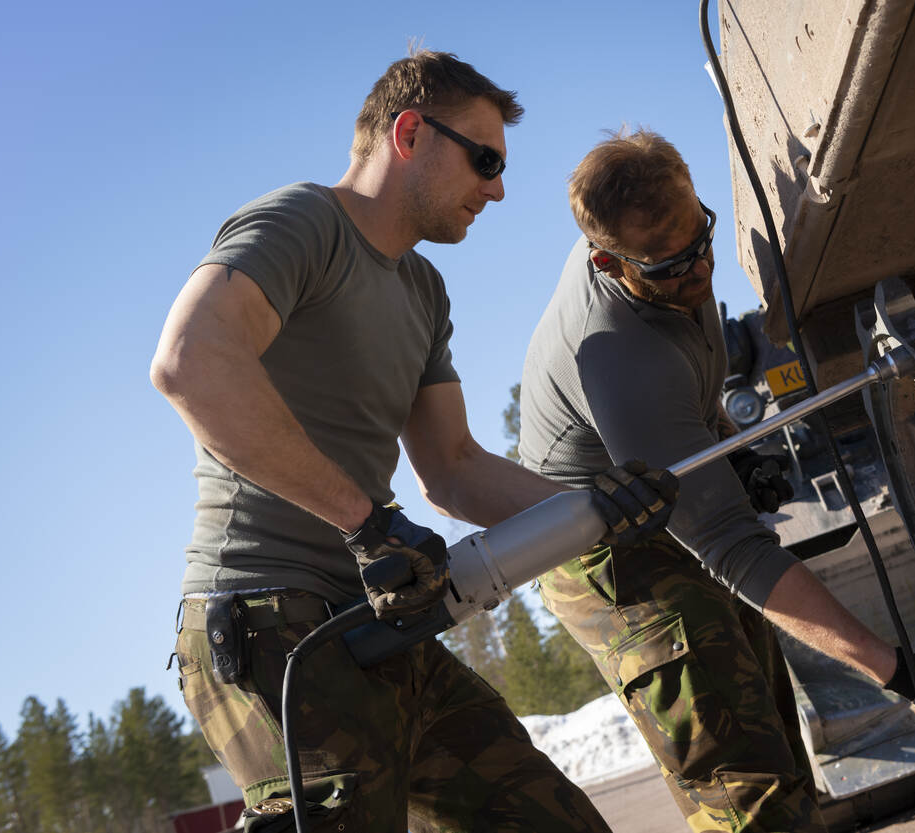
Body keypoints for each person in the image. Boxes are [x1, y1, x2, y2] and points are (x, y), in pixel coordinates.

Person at [150, 53, 676, 833]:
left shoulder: (423, 291)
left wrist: (597, 505)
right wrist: (365, 523)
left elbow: (454, 470)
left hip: (377, 616)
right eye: (485, 160)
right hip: (269, 625)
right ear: (409, 134)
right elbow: (191, 360)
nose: (497, 189)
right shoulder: (302, 222)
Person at [518, 130, 915, 833]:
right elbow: (731, 545)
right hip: (605, 548)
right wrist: (897, 670)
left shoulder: (666, 256)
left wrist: (728, 450)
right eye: (671, 265)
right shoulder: (621, 355)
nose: (698, 272)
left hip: (660, 480)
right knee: (746, 782)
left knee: (772, 726)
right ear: (608, 260)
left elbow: (695, 384)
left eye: (702, 241)